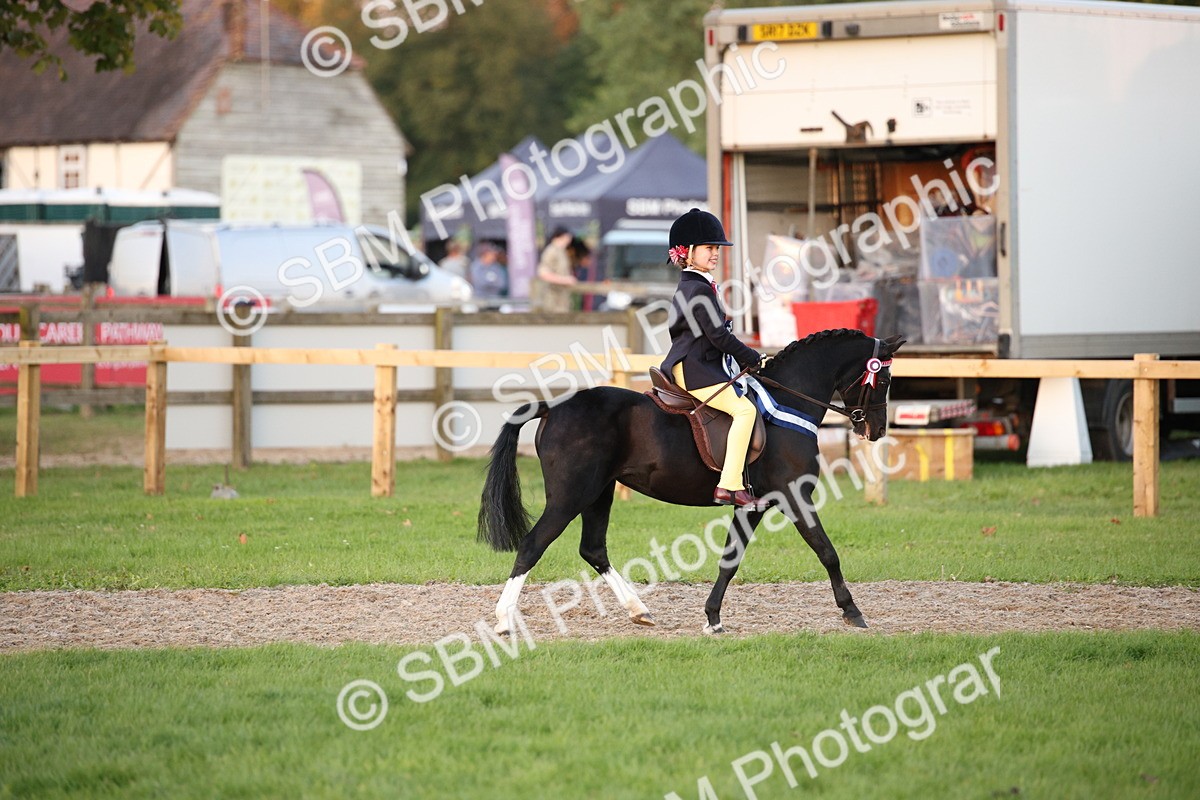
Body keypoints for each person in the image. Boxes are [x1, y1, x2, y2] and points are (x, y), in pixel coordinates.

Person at [659, 208, 767, 510]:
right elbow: (719, 337)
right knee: (744, 411)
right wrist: (752, 357)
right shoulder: (698, 290)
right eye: (709, 248)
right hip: (696, 370)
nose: (716, 253)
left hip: (695, 364)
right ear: (688, 252)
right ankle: (730, 486)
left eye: (716, 248)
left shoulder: (693, 286)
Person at [530, 226, 576, 313]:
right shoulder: (551, 251)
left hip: (561, 298)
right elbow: (543, 273)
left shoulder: (561, 251)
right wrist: (564, 280)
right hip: (552, 297)